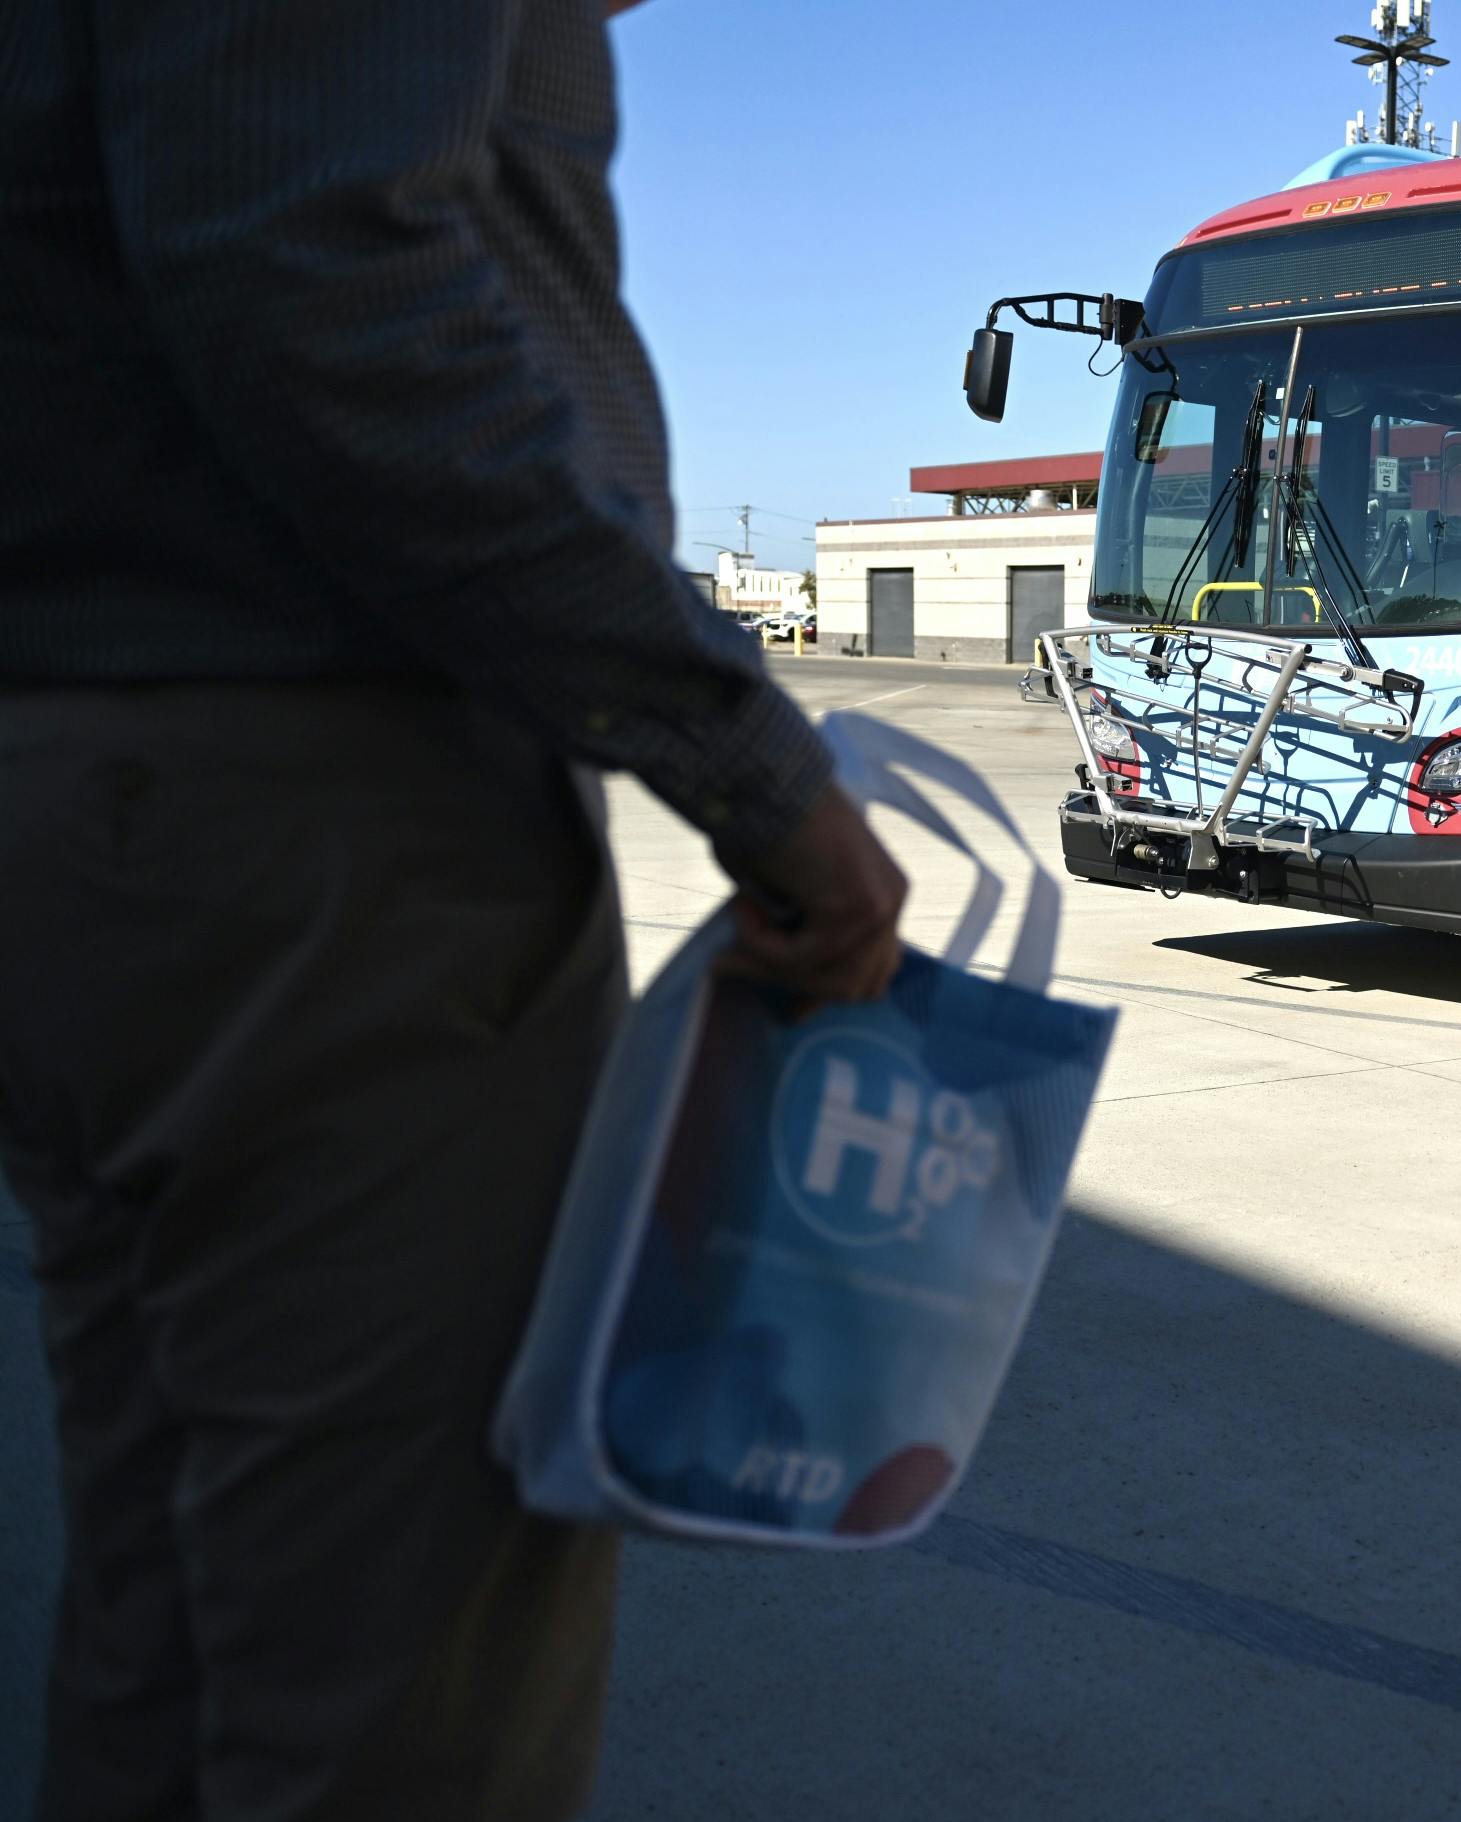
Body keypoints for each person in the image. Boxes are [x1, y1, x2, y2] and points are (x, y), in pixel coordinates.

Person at [0, 2, 907, 1816]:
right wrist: (748, 760)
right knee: (403, 1703)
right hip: (335, 810)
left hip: (128, 768)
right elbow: (305, 256)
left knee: (171, 1632)